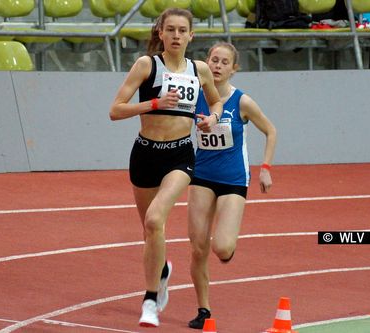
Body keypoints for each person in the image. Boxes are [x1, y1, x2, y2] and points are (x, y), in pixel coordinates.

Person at [109, 8, 223, 328]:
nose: (175, 35)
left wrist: (212, 118)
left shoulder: (199, 69)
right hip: (145, 155)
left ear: (191, 35)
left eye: (181, 30)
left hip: (180, 156)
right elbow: (115, 110)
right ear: (160, 33)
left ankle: (149, 301)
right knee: (150, 231)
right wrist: (154, 104)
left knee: (155, 219)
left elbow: (215, 102)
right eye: (169, 29)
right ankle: (162, 271)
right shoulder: (147, 65)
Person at [187, 42, 277, 329]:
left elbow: (271, 131)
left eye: (224, 62)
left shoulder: (243, 102)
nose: (217, 66)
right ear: (206, 62)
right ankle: (204, 309)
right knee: (198, 247)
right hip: (201, 176)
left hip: (233, 180)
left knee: (222, 248)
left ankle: (226, 246)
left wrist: (265, 169)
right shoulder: (197, 96)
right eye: (214, 60)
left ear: (233, 69)